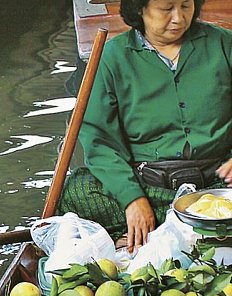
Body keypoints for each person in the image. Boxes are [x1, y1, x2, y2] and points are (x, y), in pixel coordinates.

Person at [60, 0, 232, 252]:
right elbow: (99, 141)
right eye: (167, 9)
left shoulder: (223, 43)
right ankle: (192, 230)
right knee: (77, 193)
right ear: (140, 8)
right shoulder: (111, 57)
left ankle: (154, 235)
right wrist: (132, 199)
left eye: (186, 6)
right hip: (150, 186)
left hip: (217, 183)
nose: (178, 18)